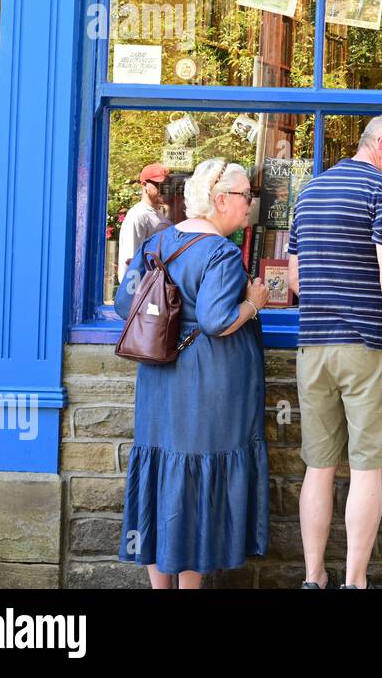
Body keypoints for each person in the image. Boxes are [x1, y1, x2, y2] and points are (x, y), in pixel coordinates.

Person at [287, 112, 382, 589]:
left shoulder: (308, 192)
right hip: (368, 347)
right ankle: (355, 581)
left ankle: (313, 578)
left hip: (313, 346)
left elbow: (294, 280)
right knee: (367, 469)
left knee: (319, 466)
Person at [115, 157, 271, 588]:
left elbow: (123, 305)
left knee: (163, 474)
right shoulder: (220, 252)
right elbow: (218, 320)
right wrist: (255, 300)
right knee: (196, 482)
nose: (248, 206)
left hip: (159, 377)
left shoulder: (156, 244)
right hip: (207, 383)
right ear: (220, 200)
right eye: (245, 197)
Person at [117, 162, 172, 281]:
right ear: (144, 184)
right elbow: (131, 259)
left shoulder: (159, 213)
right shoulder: (138, 215)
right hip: (140, 291)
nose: (164, 189)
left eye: (167, 185)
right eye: (159, 184)